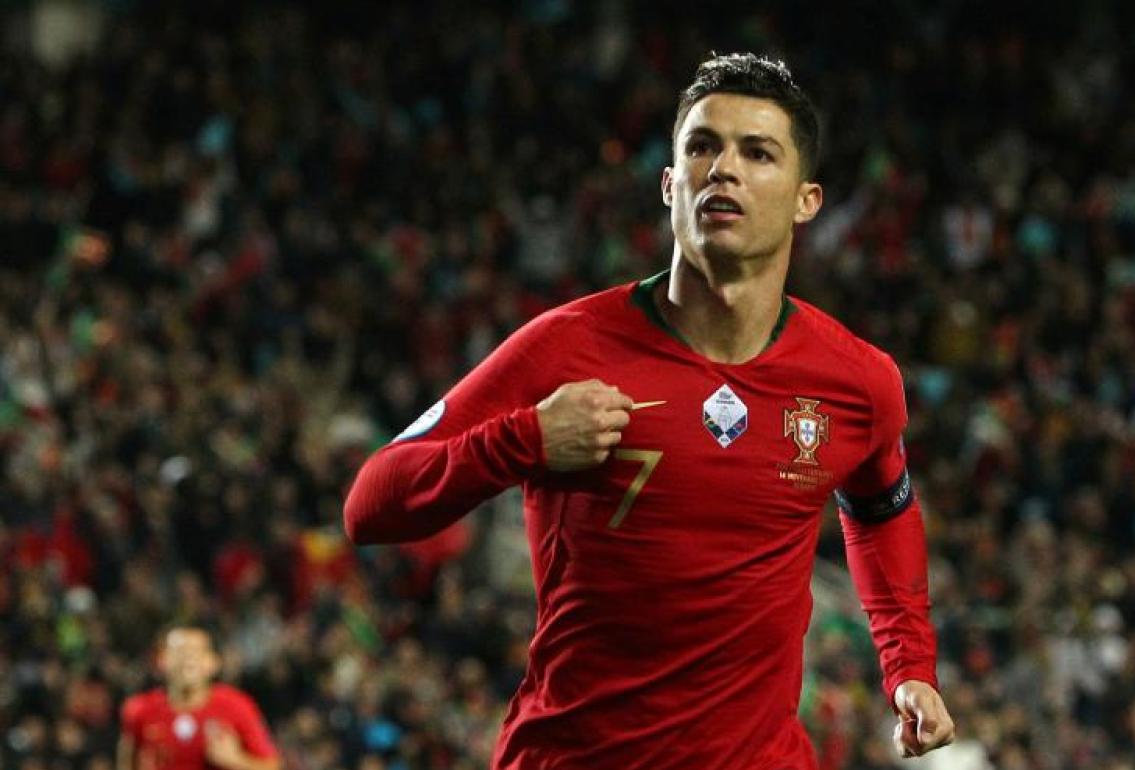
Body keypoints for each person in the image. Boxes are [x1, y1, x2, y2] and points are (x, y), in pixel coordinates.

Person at [344, 52, 955, 769]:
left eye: (757, 153)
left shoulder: (856, 380)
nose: (723, 168)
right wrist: (524, 439)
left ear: (805, 200)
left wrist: (908, 662)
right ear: (670, 186)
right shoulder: (566, 347)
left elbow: (881, 508)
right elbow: (369, 506)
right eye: (702, 147)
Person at [117, 625, 280, 770]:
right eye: (179, 652)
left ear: (212, 663)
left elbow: (272, 765)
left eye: (196, 652)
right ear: (162, 661)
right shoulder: (139, 709)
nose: (188, 658)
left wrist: (237, 761)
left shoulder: (237, 706)